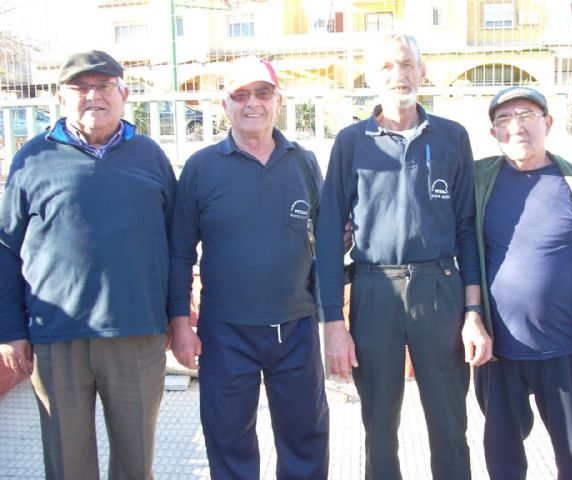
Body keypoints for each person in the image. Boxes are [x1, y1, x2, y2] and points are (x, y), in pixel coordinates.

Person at [315, 33, 492, 480]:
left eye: (409, 64)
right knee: (377, 426)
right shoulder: (352, 142)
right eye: (389, 67)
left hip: (440, 290)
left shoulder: (452, 137)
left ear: (423, 71)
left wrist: (472, 311)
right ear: (373, 77)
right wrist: (333, 323)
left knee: (450, 424)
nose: (400, 75)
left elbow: (468, 230)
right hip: (375, 291)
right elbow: (330, 233)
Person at [0, 50, 176, 479]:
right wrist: (9, 330)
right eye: (80, 87)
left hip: (136, 334)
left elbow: (176, 245)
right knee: (68, 466)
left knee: (136, 465)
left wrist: (177, 317)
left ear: (124, 93)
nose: (92, 95)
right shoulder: (33, 158)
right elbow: (5, 247)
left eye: (104, 86)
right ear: (61, 97)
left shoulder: (150, 156)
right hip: (56, 337)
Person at [168, 56, 329, 480]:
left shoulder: (304, 162)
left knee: (305, 439)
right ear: (225, 104)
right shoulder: (202, 168)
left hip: (296, 327)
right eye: (240, 94)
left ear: (278, 99)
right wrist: (181, 323)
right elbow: (180, 252)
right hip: (226, 332)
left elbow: (327, 239)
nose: (251, 103)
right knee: (229, 441)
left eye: (262, 93)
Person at [474, 85, 572, 480]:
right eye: (503, 119)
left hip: (569, 353)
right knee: (503, 465)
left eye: (527, 115)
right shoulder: (476, 182)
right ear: (494, 133)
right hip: (500, 354)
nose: (516, 126)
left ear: (548, 124)